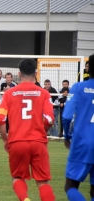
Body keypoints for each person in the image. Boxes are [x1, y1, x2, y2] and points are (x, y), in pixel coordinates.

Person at [0, 59, 55, 201]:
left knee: (17, 177)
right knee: (43, 182)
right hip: (38, 142)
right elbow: (49, 119)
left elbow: (0, 119)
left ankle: (25, 199)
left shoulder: (9, 94)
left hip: (17, 142)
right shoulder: (44, 93)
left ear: (18, 74)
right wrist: (42, 131)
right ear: (36, 73)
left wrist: (6, 140)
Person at [62, 54, 94, 201]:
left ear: (89, 69)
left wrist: (67, 136)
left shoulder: (79, 87)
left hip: (83, 142)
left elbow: (67, 116)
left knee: (70, 186)